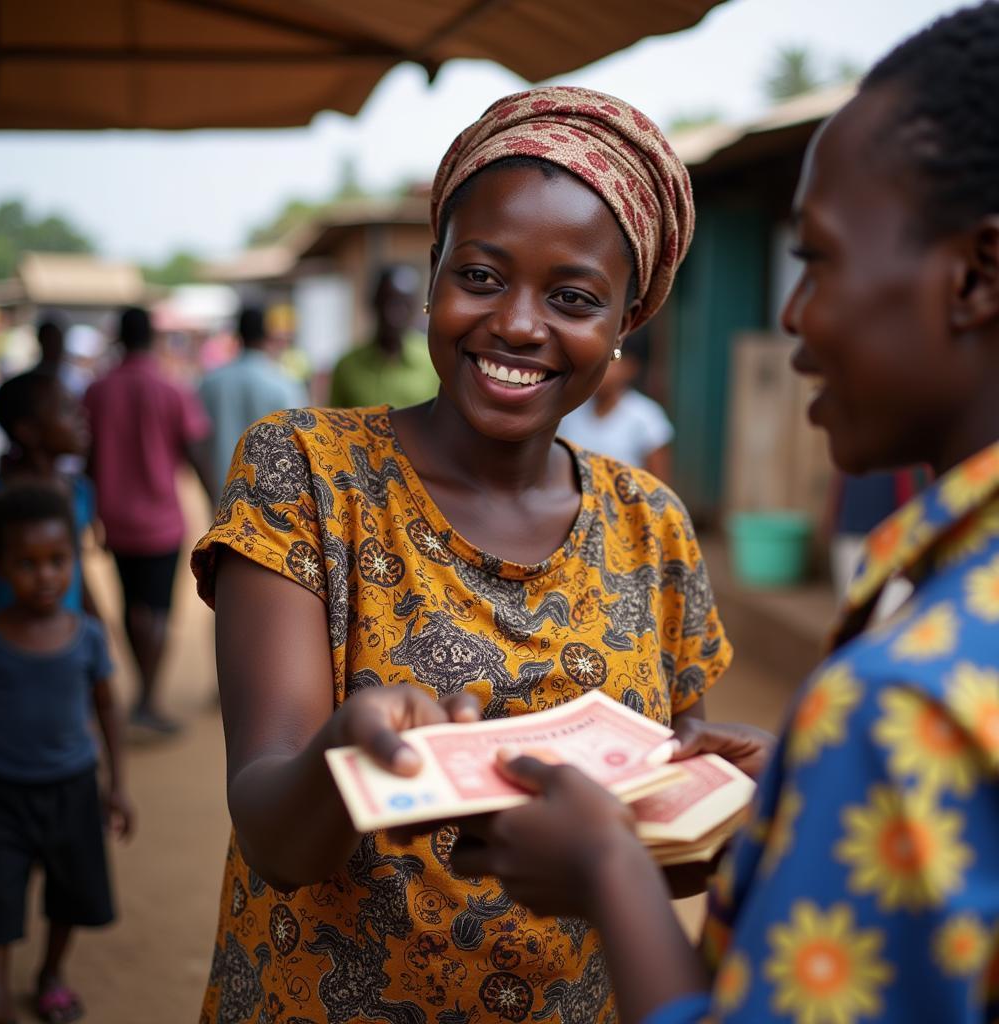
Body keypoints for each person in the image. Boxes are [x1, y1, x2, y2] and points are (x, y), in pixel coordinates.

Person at [442, 6, 999, 1022]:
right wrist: (793, 805)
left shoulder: (894, 703)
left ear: (974, 274)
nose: (789, 317)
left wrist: (612, 865)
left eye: (816, 261)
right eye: (479, 275)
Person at [191, 87, 732, 1024]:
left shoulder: (653, 526)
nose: (518, 324)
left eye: (572, 298)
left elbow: (667, 847)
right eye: (481, 276)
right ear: (434, 269)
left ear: (628, 320)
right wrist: (342, 749)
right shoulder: (308, 474)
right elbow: (276, 836)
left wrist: (733, 807)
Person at [0, 484, 132, 1024]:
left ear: (74, 558)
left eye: (56, 561)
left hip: (74, 788)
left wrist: (119, 786)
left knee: (70, 894)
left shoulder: (88, 637)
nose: (44, 575)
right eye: (26, 563)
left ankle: (50, 976)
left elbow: (109, 710)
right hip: (6, 792)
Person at [84, 306, 213, 734]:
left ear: (119, 338)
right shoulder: (170, 388)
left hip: (116, 518)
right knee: (157, 610)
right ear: (152, 338)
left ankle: (142, 692)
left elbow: (85, 457)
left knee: (129, 605)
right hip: (161, 521)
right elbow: (194, 449)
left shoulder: (97, 390)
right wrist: (219, 500)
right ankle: (147, 698)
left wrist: (91, 514)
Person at [0, 370, 97, 616]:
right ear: (28, 431)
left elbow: (76, 568)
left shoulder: (79, 490)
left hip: (65, 631)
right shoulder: (3, 498)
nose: (82, 417)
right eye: (67, 410)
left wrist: (96, 625)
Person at [197, 305, 308, 488]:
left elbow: (199, 441)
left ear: (238, 335)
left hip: (222, 487)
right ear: (267, 335)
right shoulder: (285, 384)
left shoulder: (210, 382)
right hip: (272, 492)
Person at [559, 328, 674, 477]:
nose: (602, 368)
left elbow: (659, 483)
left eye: (612, 360)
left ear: (631, 367)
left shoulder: (647, 417)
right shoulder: (569, 411)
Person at [328, 264, 440, 408]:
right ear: (373, 303)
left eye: (404, 304)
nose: (394, 314)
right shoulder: (346, 367)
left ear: (416, 307)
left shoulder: (434, 363)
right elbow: (333, 425)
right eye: (387, 302)